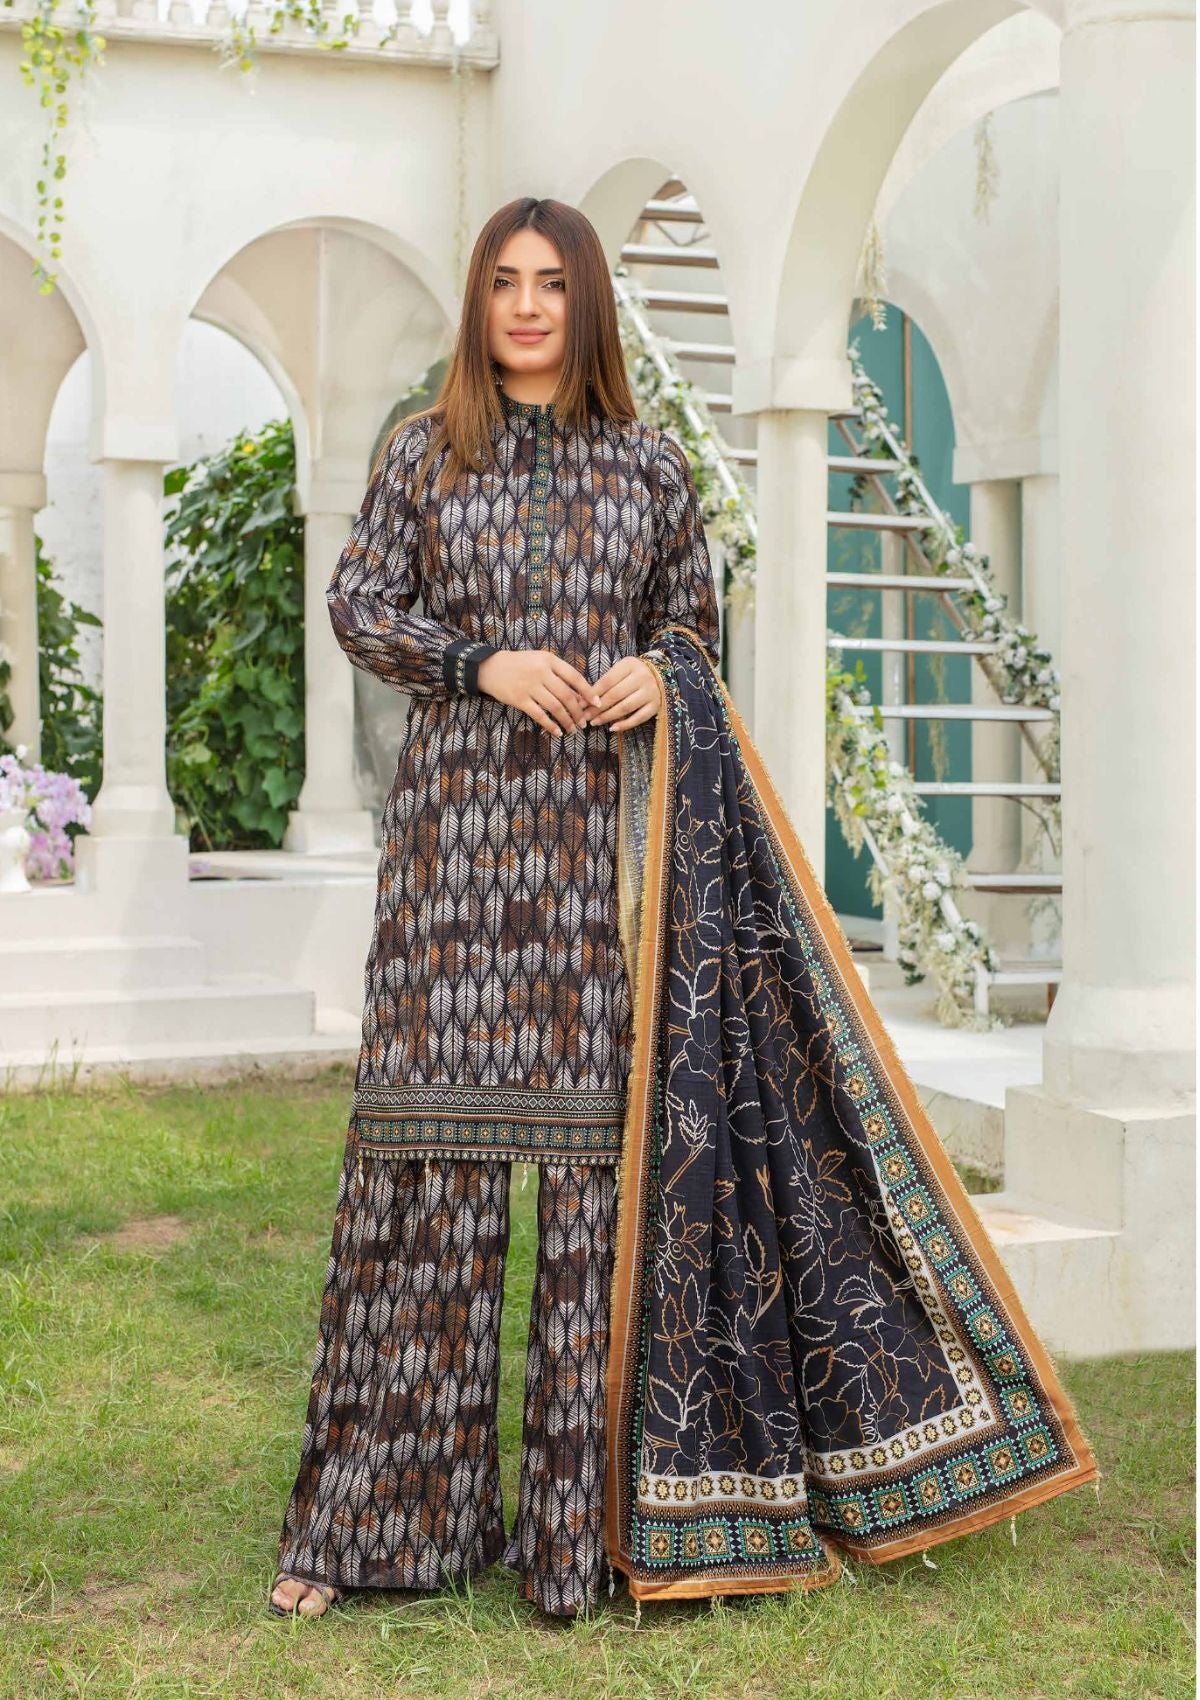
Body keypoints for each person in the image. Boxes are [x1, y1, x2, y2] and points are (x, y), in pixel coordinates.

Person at [269, 195, 721, 1622]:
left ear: (587, 303)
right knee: (425, 1184)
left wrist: (660, 671)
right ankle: (376, 1528)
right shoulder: (427, 450)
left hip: (594, 868)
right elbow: (357, 604)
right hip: (454, 868)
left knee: (591, 1199)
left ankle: (579, 1541)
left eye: (552, 283)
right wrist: (482, 664)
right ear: (480, 302)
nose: (527, 306)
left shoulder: (651, 468)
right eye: (505, 282)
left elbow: (696, 624)